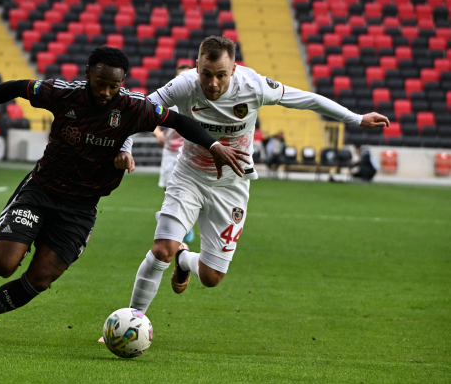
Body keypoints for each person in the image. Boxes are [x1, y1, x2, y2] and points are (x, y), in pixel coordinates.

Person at [0, 47, 247, 342]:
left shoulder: (133, 107)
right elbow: (16, 87)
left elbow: (179, 121)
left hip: (80, 209)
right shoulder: (63, 94)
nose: (105, 91)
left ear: (123, 82)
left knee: (39, 280)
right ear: (88, 73)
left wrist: (213, 146)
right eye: (100, 83)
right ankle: (23, 237)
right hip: (41, 192)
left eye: (114, 86)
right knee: (2, 265)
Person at [118, 35, 389, 317]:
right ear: (196, 66)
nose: (212, 83)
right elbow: (138, 113)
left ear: (233, 70)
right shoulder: (185, 83)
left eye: (221, 75)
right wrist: (125, 148)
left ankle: (185, 259)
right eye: (206, 74)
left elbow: (306, 99)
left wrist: (356, 118)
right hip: (190, 176)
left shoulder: (254, 86)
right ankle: (132, 320)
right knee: (162, 249)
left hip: (232, 184)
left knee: (212, 277)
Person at [152, 63, 195, 242]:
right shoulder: (169, 102)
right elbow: (150, 116)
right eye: (179, 77)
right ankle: (175, 222)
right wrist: (158, 133)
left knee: (187, 191)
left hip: (189, 153)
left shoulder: (198, 100)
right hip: (170, 152)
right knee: (167, 188)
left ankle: (186, 226)